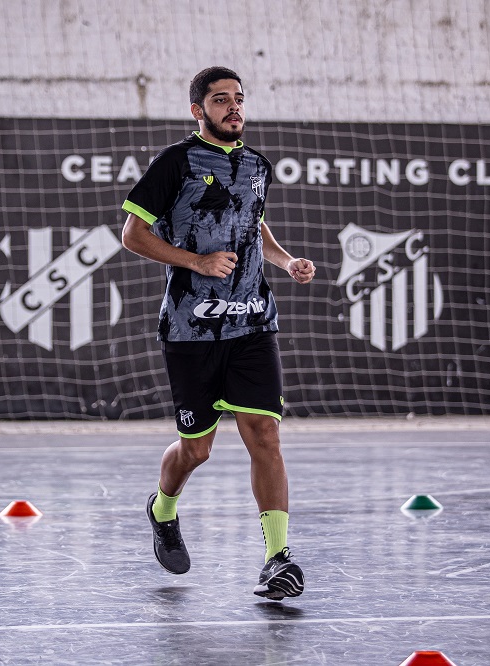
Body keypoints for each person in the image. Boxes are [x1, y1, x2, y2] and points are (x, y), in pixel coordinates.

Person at [120, 66, 315, 600]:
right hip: (191, 327)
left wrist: (285, 259)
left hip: (253, 322)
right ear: (197, 110)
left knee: (264, 434)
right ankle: (162, 509)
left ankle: (278, 558)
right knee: (197, 450)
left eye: (239, 99)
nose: (234, 107)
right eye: (221, 99)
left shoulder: (257, 165)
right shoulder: (175, 163)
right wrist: (196, 262)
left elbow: (252, 222)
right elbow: (132, 234)